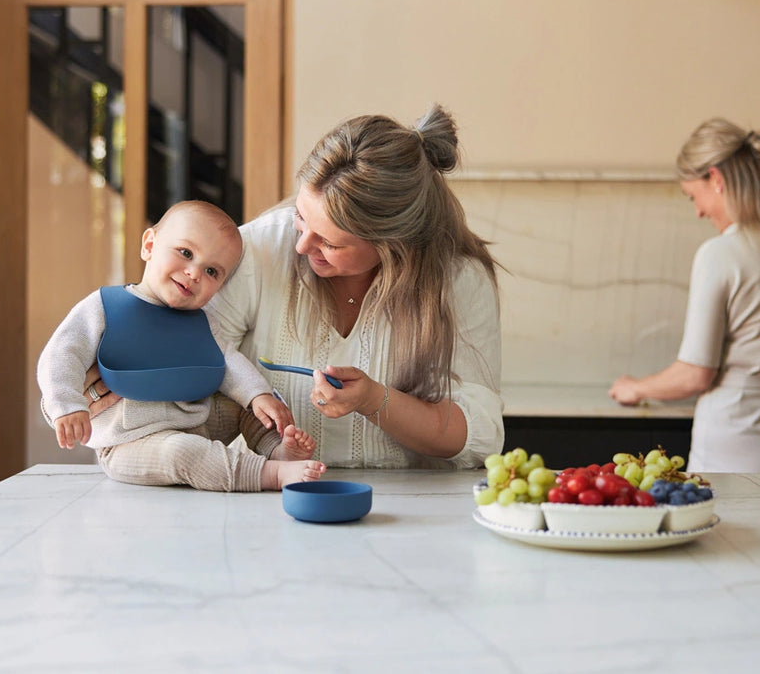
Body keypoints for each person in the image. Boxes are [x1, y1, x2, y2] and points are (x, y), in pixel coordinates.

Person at [86, 104, 505, 469]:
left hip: (416, 511)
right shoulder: (259, 250)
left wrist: (375, 400)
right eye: (301, 219)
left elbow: (481, 436)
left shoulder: (459, 279)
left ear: (395, 246)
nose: (302, 246)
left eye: (331, 242)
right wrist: (116, 373)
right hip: (271, 500)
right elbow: (192, 353)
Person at [608, 118, 760, 473]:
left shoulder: (721, 254)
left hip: (739, 450)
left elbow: (695, 375)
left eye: (693, 195)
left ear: (717, 178)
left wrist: (637, 388)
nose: (697, 211)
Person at [37, 200, 326, 491]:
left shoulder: (201, 322)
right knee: (183, 452)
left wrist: (258, 396)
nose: (194, 273)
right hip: (129, 443)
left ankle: (277, 450)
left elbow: (227, 361)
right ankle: (269, 474)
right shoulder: (103, 307)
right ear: (149, 245)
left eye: (212, 271)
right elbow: (62, 353)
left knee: (244, 406)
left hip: (195, 423)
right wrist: (67, 405)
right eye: (185, 253)